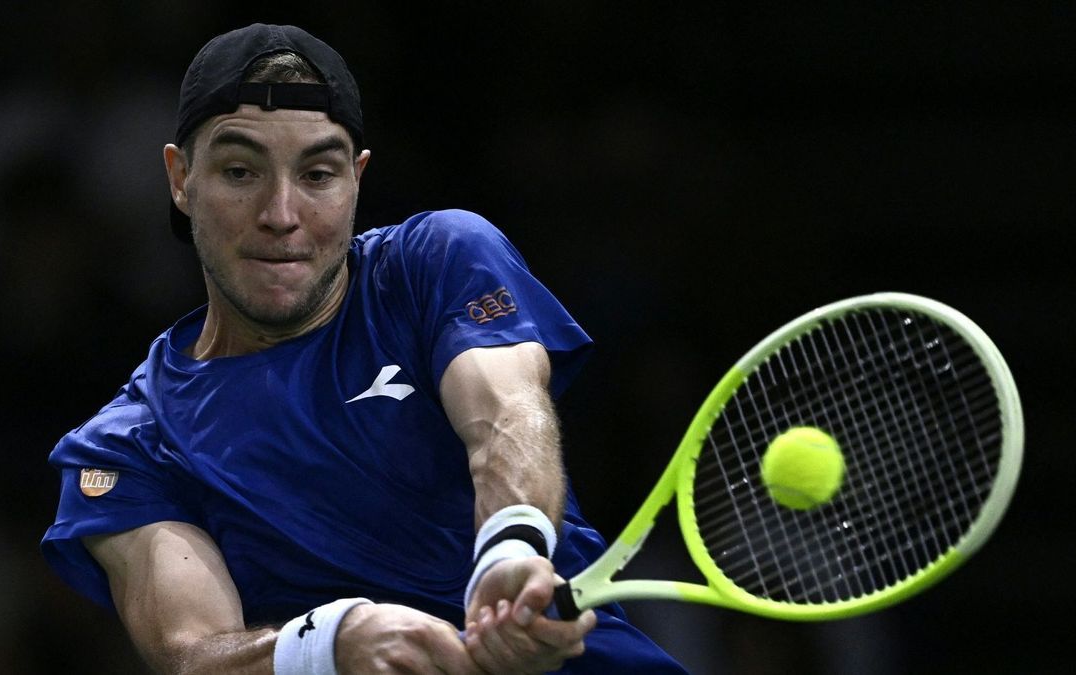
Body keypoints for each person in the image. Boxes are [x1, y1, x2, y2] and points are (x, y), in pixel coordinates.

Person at [42, 23, 687, 674]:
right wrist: (332, 642)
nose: (282, 212)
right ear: (181, 178)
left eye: (318, 173)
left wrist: (510, 548)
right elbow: (193, 653)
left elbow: (506, 415)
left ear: (357, 178)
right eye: (241, 171)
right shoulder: (127, 447)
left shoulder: (434, 263)